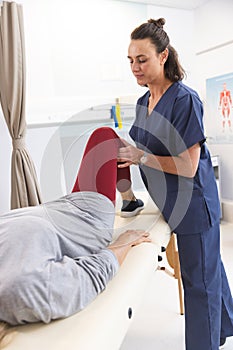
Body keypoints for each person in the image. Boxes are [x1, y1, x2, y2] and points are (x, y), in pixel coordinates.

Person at [117, 18, 233, 350]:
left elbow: (187, 165)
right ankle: (225, 325)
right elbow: (146, 149)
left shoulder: (185, 100)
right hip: (170, 203)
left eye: (142, 59)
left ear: (163, 56)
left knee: (199, 283)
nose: (135, 67)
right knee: (210, 268)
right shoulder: (142, 104)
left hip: (194, 205)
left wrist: (139, 157)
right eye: (130, 60)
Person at [0, 127, 151, 346]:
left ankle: (129, 200)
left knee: (108, 140)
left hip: (59, 209)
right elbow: (93, 272)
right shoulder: (21, 294)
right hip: (87, 217)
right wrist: (124, 241)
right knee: (106, 137)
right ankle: (128, 199)